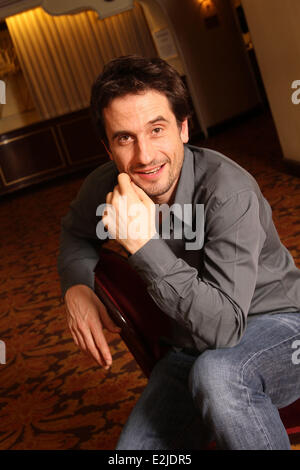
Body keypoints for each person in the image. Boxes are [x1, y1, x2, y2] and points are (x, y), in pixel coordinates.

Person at [57, 55, 300, 450]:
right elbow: (74, 234)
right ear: (108, 148)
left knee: (219, 375)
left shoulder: (227, 191)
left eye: (156, 129)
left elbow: (225, 328)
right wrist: (77, 288)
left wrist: (142, 244)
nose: (145, 156)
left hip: (281, 327)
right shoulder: (105, 187)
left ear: (183, 127)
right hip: (188, 344)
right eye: (125, 138)